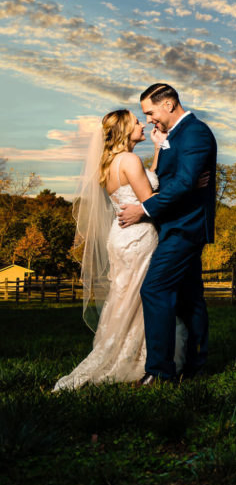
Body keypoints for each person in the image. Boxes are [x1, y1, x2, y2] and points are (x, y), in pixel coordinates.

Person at [54, 109, 186, 391]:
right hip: (138, 236)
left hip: (120, 236)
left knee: (126, 296)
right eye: (137, 121)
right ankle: (140, 357)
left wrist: (157, 149)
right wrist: (184, 188)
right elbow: (150, 201)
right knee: (144, 296)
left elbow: (144, 180)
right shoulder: (129, 160)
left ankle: (120, 351)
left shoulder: (112, 162)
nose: (142, 123)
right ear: (126, 130)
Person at [118, 83, 217, 385]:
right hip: (176, 224)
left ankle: (160, 373)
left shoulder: (196, 133)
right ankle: (196, 366)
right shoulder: (177, 136)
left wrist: (144, 209)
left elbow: (185, 182)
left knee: (154, 289)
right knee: (189, 298)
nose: (148, 119)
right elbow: (178, 179)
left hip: (185, 227)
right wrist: (163, 147)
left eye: (150, 112)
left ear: (169, 104)